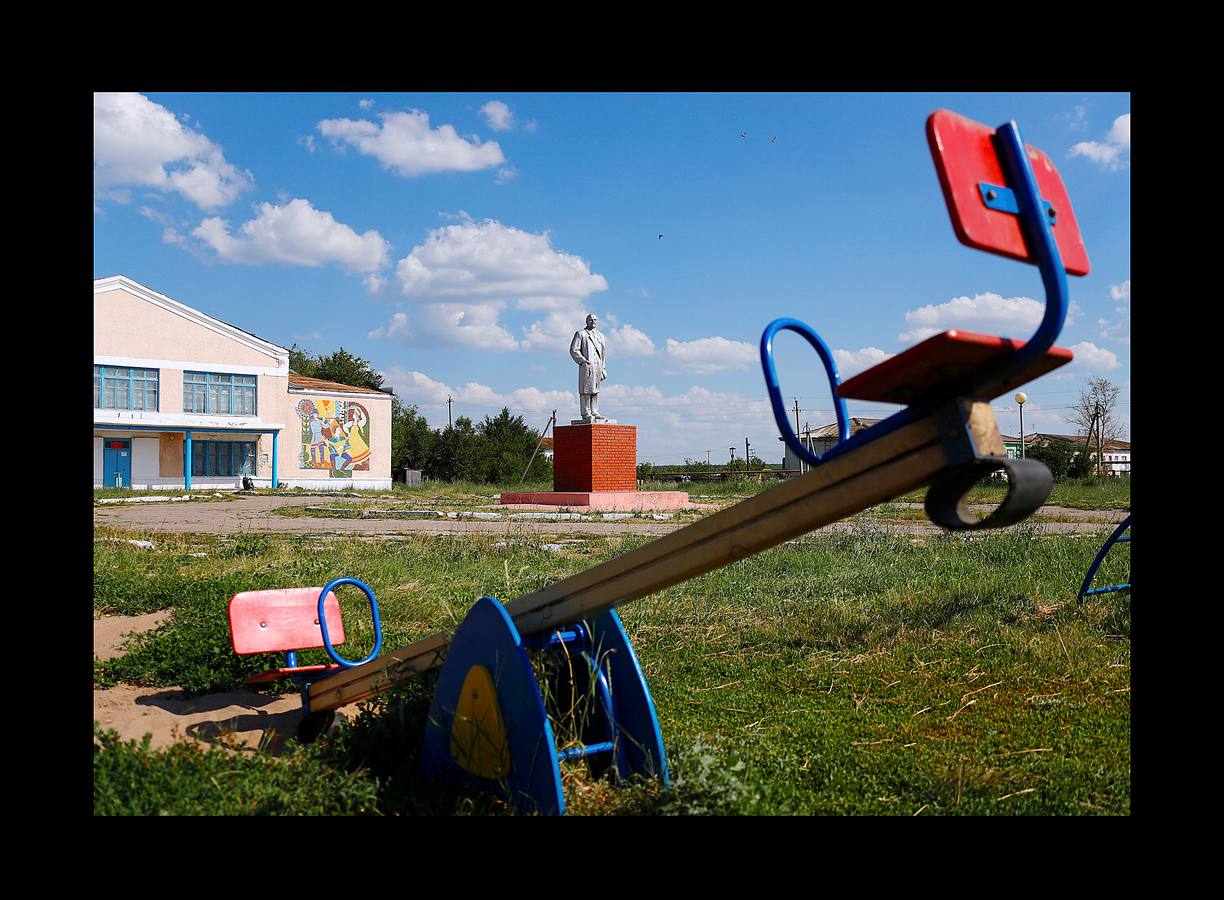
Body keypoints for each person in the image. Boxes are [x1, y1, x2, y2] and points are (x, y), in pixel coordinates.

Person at [569, 314, 608, 422]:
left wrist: (603, 367)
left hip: (598, 366)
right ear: (587, 321)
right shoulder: (581, 334)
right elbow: (573, 349)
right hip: (587, 365)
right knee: (586, 390)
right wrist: (583, 361)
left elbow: (603, 353)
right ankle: (586, 412)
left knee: (595, 389)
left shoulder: (601, 335)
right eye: (590, 319)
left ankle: (594, 411)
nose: (593, 321)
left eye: (595, 319)